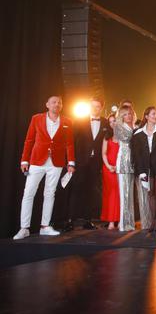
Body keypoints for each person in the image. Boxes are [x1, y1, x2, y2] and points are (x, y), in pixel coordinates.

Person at [14, 96, 75, 240]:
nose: (57, 104)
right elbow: (29, 140)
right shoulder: (36, 118)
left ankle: (45, 226)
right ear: (47, 104)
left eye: (59, 102)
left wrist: (71, 162)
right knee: (29, 193)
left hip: (56, 162)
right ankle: (24, 228)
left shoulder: (67, 121)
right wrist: (24, 160)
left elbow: (69, 143)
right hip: (37, 161)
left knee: (50, 193)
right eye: (54, 102)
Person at [61, 97, 109, 231]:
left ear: (101, 108)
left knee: (91, 191)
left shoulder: (105, 123)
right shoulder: (79, 121)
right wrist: (71, 161)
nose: (95, 109)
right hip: (80, 161)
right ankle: (70, 220)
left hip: (95, 163)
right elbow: (71, 142)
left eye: (97, 106)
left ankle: (87, 221)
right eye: (92, 106)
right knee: (76, 190)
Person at [132, 107, 156, 234]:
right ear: (147, 116)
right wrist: (141, 171)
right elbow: (137, 154)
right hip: (146, 167)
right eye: (153, 114)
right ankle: (153, 221)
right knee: (150, 194)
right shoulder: (138, 133)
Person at [114, 106, 137, 232]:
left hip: (133, 163)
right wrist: (137, 133)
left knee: (130, 195)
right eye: (126, 114)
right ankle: (123, 224)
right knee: (124, 195)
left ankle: (130, 223)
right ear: (121, 116)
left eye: (130, 114)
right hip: (123, 163)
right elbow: (126, 139)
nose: (129, 116)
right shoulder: (118, 127)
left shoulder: (136, 127)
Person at [100, 114, 120, 230]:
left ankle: (121, 220)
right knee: (111, 194)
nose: (112, 123)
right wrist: (109, 166)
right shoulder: (107, 137)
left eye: (114, 121)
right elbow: (103, 153)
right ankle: (111, 221)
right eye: (110, 122)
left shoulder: (123, 136)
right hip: (108, 169)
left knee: (120, 194)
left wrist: (118, 166)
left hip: (120, 169)